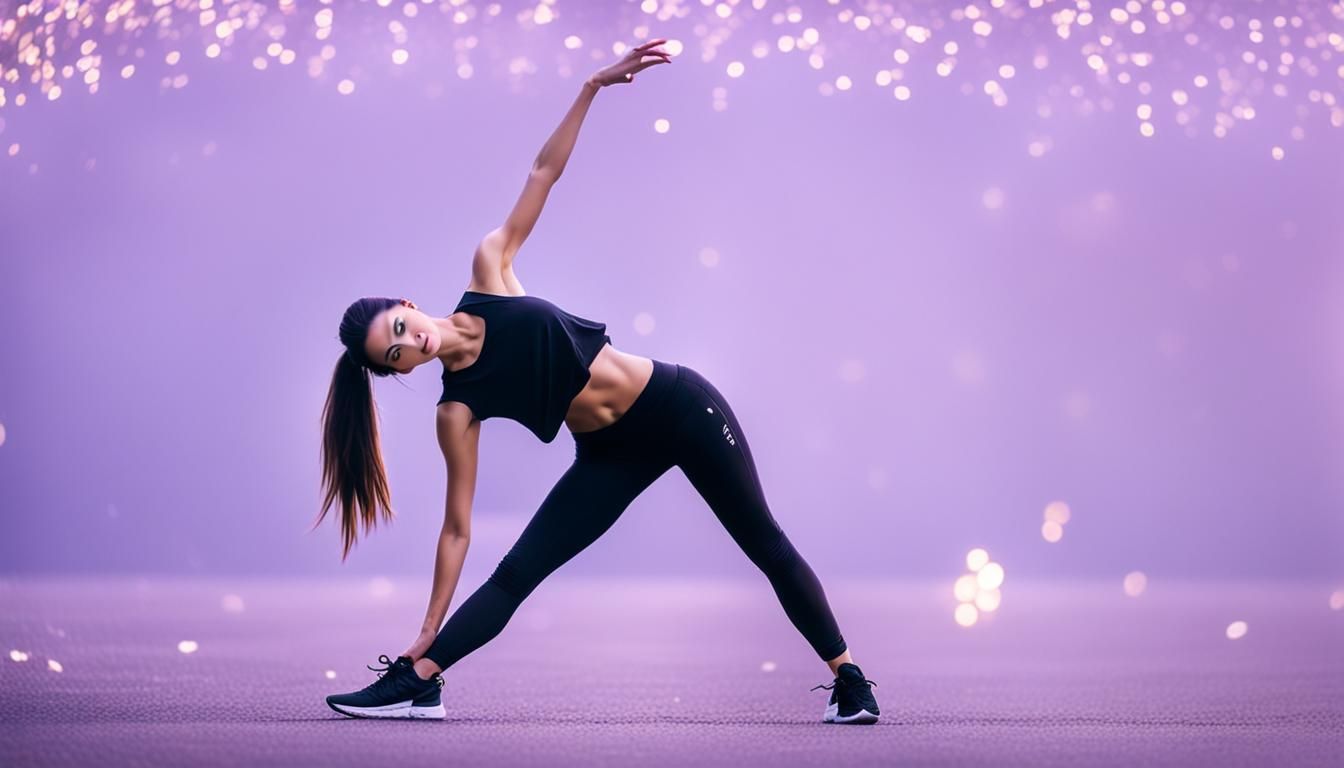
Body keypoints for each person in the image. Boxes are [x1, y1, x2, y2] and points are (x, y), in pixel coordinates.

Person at [316, 39, 879, 725]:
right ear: (397, 373)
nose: (409, 344)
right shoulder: (455, 411)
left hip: (677, 405)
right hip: (610, 454)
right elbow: (457, 531)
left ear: (405, 305)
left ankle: (850, 681)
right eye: (394, 356)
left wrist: (590, 86)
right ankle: (420, 675)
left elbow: (542, 172)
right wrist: (428, 623)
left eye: (398, 328)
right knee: (517, 573)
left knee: (763, 542)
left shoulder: (490, 270)